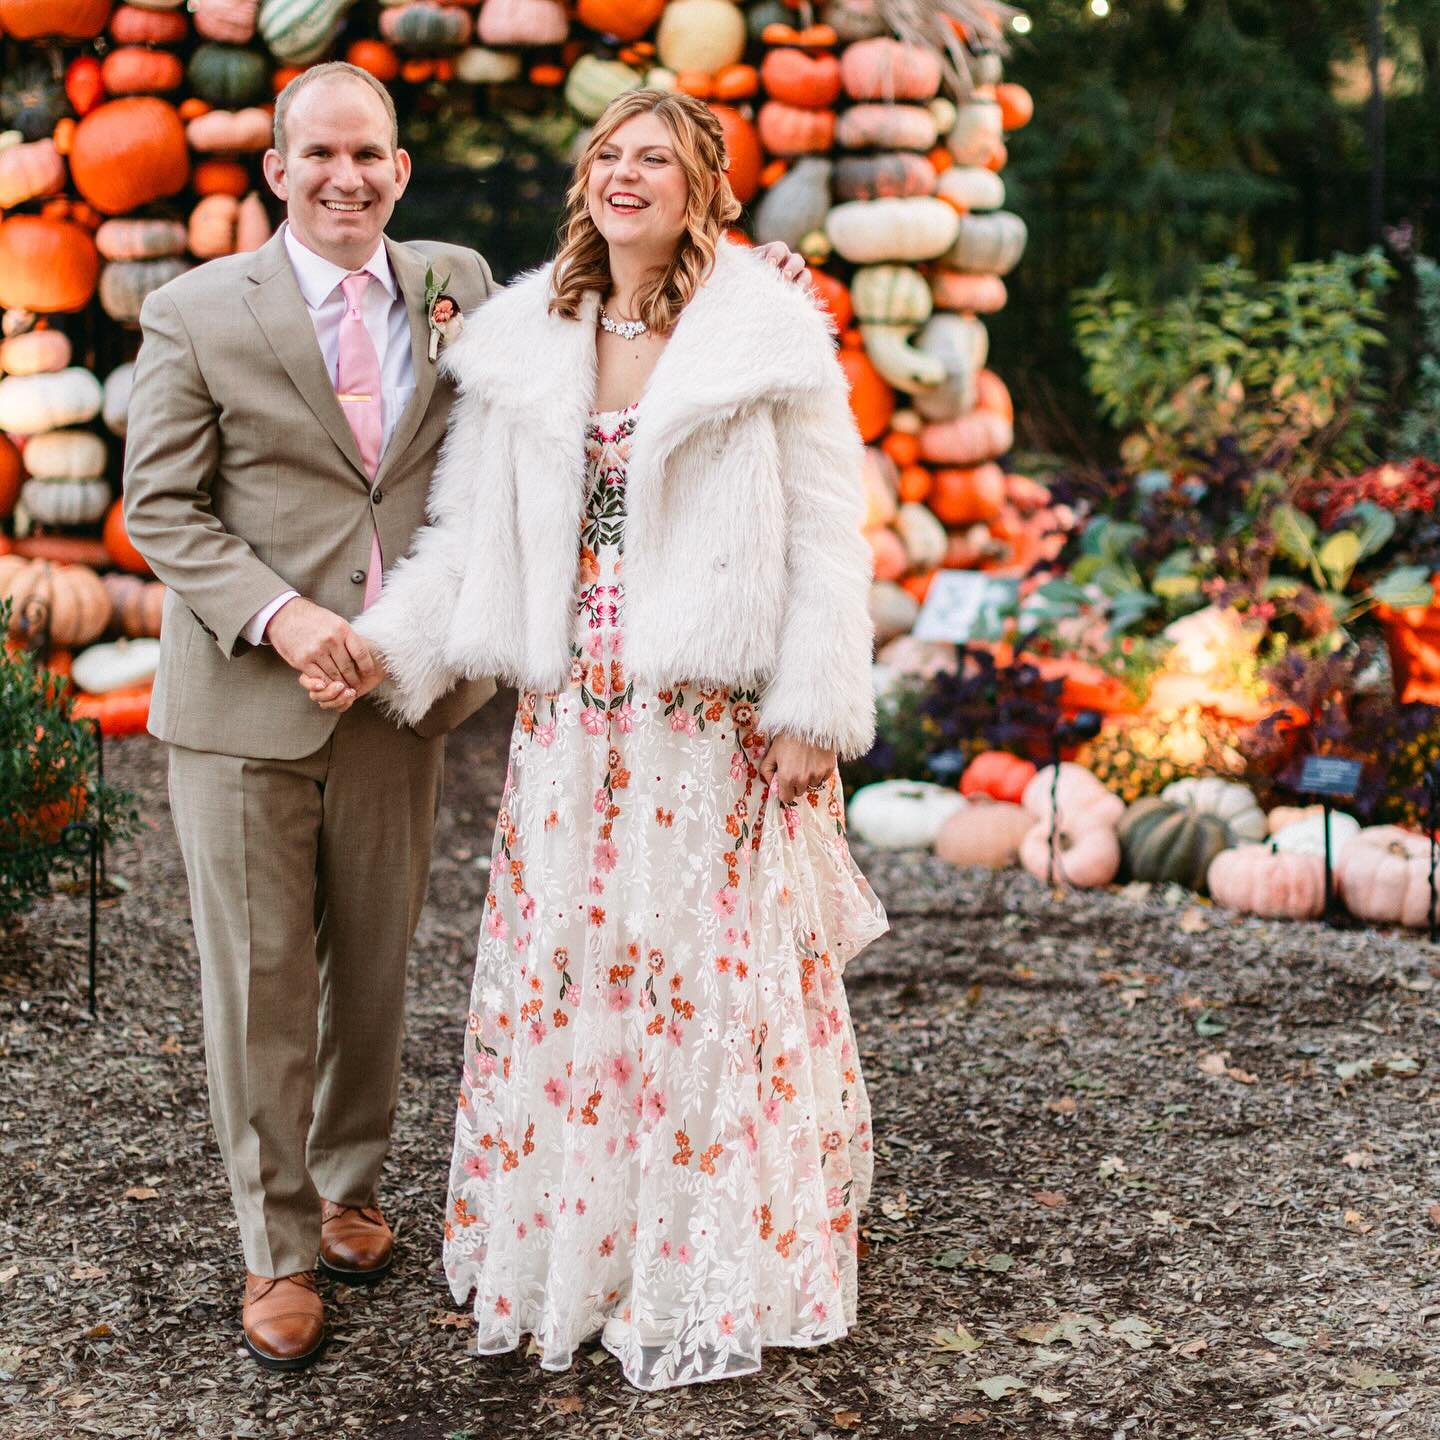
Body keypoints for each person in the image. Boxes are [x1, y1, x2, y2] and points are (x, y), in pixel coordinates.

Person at [122, 64, 808, 1372]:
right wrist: (284, 618)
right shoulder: (197, 310)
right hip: (249, 700)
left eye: (370, 154)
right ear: (277, 168)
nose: (347, 177)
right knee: (263, 988)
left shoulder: (462, 291)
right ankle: (274, 1255)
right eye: (319, 154)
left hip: (398, 696)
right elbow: (163, 508)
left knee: (375, 974)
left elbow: (613, 323)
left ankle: (345, 1189)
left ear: (400, 167)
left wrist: (754, 285)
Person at [309, 89, 887, 1390]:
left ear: (700, 187)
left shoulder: (765, 329)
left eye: (656, 159)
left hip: (703, 722)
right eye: (608, 156)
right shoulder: (525, 338)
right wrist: (378, 649)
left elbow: (827, 536)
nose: (626, 175)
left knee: (698, 987)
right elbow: (469, 543)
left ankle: (703, 1259)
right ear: (586, 182)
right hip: (571, 733)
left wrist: (812, 710)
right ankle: (584, 1251)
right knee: (579, 979)